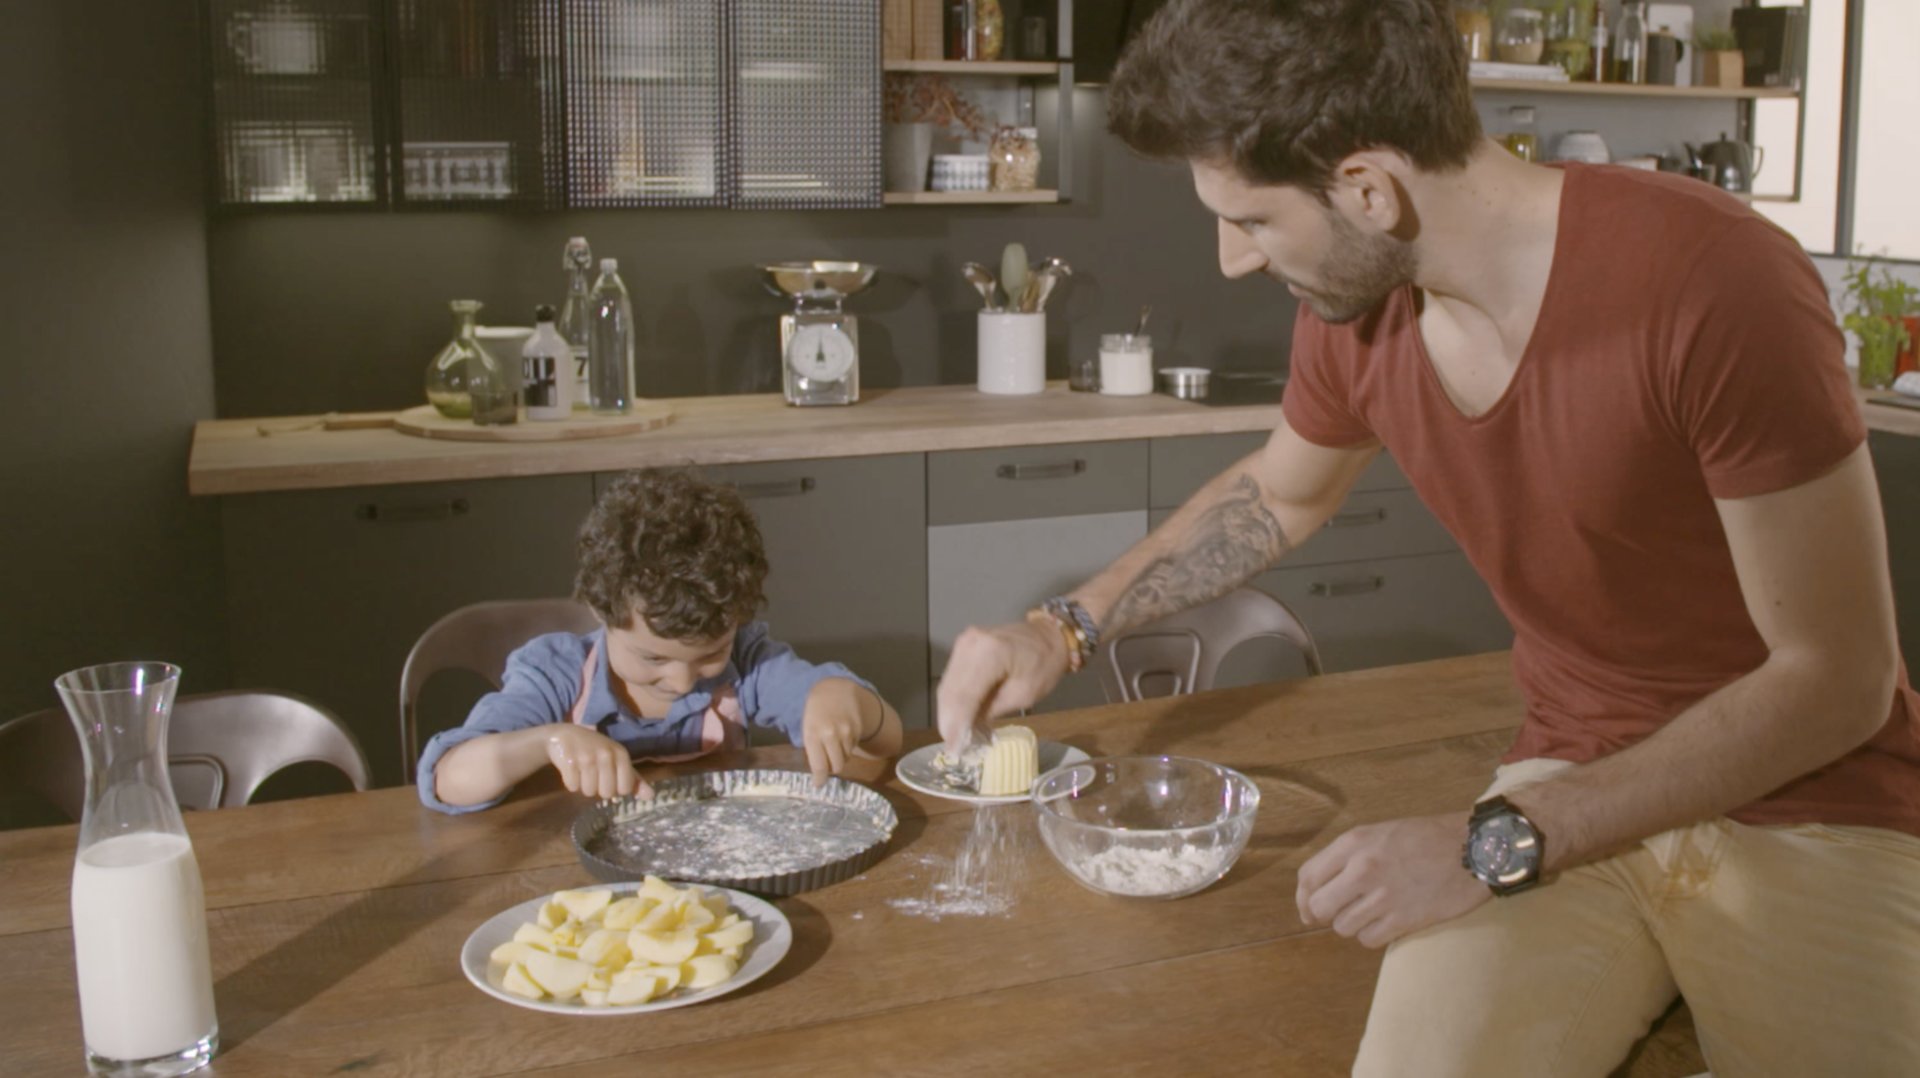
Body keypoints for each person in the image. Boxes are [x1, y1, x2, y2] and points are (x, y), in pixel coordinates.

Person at [935, 0, 1920, 1072]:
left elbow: (1838, 680)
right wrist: (1062, 628)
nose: (1231, 260)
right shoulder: (1358, 307)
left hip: (1810, 798)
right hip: (1574, 760)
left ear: (1369, 188)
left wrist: (1498, 840)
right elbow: (1282, 492)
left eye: (1251, 220)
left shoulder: (1717, 282)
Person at [420, 468, 902, 813]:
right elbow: (446, 780)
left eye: (710, 653)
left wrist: (845, 700)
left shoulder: (748, 663)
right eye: (652, 658)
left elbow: (888, 741)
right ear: (601, 611)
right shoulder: (556, 674)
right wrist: (547, 742)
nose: (682, 680)